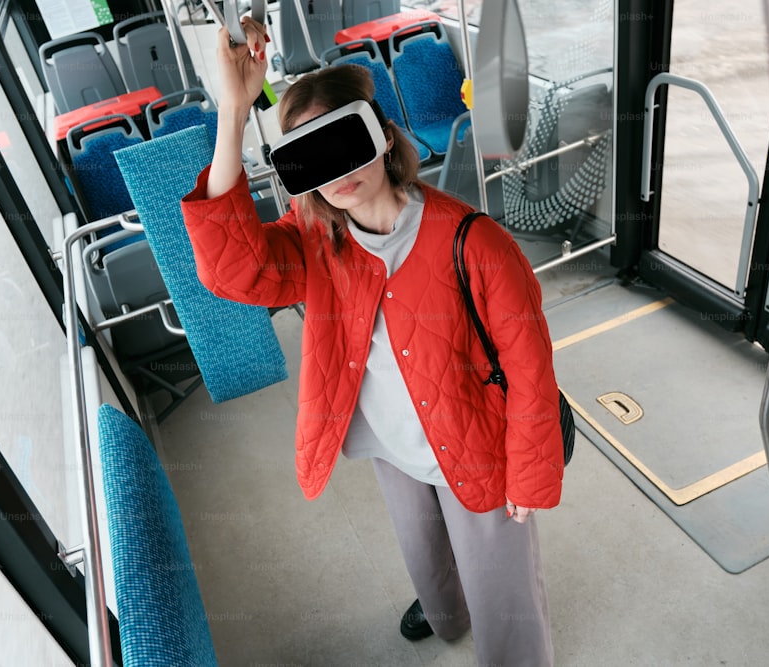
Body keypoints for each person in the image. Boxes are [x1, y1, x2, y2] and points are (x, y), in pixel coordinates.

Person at [181, 17, 564, 667]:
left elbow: (529, 366)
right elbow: (231, 269)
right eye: (311, 157)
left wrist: (530, 471)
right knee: (431, 571)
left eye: (345, 143)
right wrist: (232, 110)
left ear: (384, 137)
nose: (335, 173)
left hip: (475, 445)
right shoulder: (314, 241)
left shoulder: (477, 244)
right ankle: (447, 615)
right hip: (392, 442)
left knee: (505, 601)